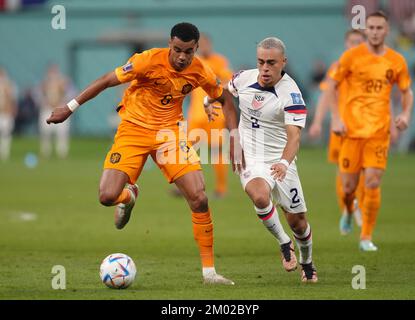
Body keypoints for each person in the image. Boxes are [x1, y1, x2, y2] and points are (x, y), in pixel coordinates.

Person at [46, 22, 242, 285]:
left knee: (199, 198)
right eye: (177, 50)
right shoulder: (147, 60)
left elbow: (225, 99)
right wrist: (69, 107)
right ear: (169, 44)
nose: (182, 56)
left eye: (189, 51)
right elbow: (106, 80)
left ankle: (209, 273)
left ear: (196, 49)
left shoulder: (201, 71)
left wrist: (234, 136)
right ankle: (129, 196)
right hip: (133, 130)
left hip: (168, 136)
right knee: (107, 196)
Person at [206, 37, 317, 282]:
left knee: (298, 222)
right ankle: (283, 242)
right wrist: (208, 100)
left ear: (283, 63)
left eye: (271, 63)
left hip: (281, 160)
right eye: (261, 62)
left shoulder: (291, 95)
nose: (265, 68)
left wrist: (284, 163)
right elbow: (224, 91)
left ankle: (307, 262)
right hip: (250, 157)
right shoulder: (243, 78)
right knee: (258, 195)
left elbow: (294, 138)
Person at [327, 11, 414, 251]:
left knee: (373, 182)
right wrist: (336, 117)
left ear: (387, 31)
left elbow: (407, 91)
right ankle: (347, 209)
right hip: (352, 132)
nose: (375, 32)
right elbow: (332, 86)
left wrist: (405, 114)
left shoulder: (396, 61)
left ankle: (366, 236)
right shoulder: (352, 57)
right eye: (371, 28)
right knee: (347, 188)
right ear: (366, 30)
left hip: (378, 132)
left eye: (379, 28)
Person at [308, 30, 366, 234]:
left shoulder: (372, 67)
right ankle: (349, 210)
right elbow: (327, 94)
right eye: (352, 41)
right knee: (343, 171)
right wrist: (318, 121)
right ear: (346, 43)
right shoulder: (338, 67)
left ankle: (358, 205)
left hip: (367, 128)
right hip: (342, 128)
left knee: (366, 172)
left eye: (359, 42)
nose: (355, 45)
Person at [186, 33, 233, 198]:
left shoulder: (220, 61)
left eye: (207, 43)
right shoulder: (192, 62)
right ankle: (185, 186)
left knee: (217, 152)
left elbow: (229, 83)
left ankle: (221, 189)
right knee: (185, 150)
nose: (204, 47)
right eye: (202, 44)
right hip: (196, 115)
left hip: (215, 114)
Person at [38, 64, 75, 158]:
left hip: (60, 108)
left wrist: (63, 102)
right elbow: (38, 96)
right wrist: (44, 101)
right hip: (47, 109)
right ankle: (45, 152)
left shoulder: (63, 82)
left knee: (62, 133)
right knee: (45, 132)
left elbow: (72, 93)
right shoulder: (44, 83)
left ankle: (62, 153)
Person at [0, 67, 17, 161]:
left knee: (6, 134)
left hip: (6, 113)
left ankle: (4, 154)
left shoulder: (9, 85)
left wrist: (13, 110)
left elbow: (13, 99)